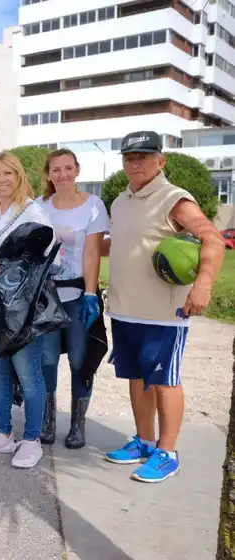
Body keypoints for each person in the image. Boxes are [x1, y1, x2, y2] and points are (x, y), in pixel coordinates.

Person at [104, 131, 224, 483]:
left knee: (164, 382)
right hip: (125, 308)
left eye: (144, 156)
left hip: (163, 313)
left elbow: (211, 237)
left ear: (161, 161)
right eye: (129, 157)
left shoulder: (174, 198)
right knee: (137, 379)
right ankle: (143, 442)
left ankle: (168, 452)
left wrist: (202, 284)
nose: (135, 163)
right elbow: (123, 243)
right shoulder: (121, 201)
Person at [0, 151, 56, 469]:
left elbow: (49, 261)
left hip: (21, 310)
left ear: (19, 177)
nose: (2, 180)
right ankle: (2, 433)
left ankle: (32, 440)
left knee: (29, 376)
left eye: (8, 173)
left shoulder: (33, 212)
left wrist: (2, 267)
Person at [36, 149, 109, 449]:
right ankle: (48, 420)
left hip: (79, 294)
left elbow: (92, 252)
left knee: (81, 359)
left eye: (68, 168)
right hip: (47, 297)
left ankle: (78, 424)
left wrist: (91, 293)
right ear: (49, 174)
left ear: (77, 170)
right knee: (47, 360)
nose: (63, 174)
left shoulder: (93, 205)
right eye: (56, 169)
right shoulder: (40, 206)